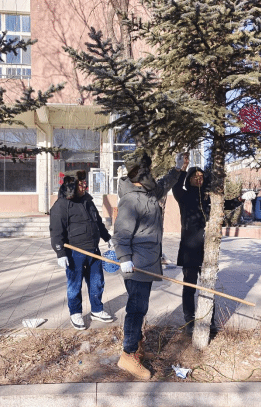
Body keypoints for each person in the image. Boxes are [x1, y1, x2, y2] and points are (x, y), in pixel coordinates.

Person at [113, 150, 187, 380]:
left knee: (140, 307)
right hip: (136, 264)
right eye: (148, 171)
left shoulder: (147, 192)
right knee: (136, 309)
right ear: (140, 174)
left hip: (147, 262)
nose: (152, 175)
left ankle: (137, 346)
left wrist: (178, 169)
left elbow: (164, 184)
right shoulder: (131, 200)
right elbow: (121, 234)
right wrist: (124, 259)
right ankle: (128, 354)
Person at [49, 170, 114, 330]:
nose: (84, 186)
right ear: (71, 185)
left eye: (84, 183)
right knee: (75, 285)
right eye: (81, 184)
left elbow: (98, 222)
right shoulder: (61, 205)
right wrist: (60, 253)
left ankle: (96, 310)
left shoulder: (88, 201)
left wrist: (107, 238)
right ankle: (75, 313)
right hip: (74, 253)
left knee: (97, 282)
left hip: (93, 250)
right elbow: (56, 231)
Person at [172, 155, 213, 335]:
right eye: (195, 176)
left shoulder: (208, 197)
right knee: (189, 286)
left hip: (207, 249)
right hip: (189, 249)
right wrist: (181, 169)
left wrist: (239, 200)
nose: (199, 179)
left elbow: (224, 205)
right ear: (189, 179)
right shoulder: (184, 195)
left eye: (201, 176)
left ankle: (209, 320)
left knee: (208, 287)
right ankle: (189, 320)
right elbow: (175, 187)